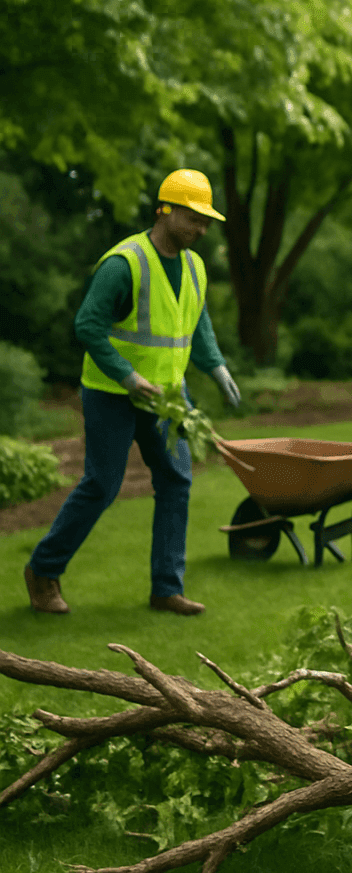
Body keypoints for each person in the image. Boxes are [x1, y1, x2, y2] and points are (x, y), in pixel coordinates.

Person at [23, 169, 241, 617]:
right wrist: (126, 376)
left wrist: (216, 366)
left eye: (206, 222)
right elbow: (88, 326)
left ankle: (167, 587)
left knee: (177, 481)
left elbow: (196, 326)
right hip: (112, 395)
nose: (201, 230)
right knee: (102, 485)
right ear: (166, 210)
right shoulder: (125, 263)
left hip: (166, 397)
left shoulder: (195, 267)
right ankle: (43, 571)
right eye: (194, 219)